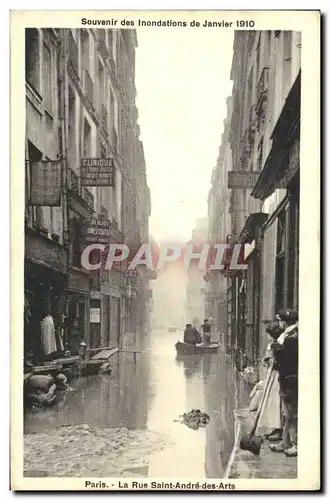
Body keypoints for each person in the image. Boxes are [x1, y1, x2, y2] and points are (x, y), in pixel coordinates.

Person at [269, 309, 298, 457]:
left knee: (292, 412)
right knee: (286, 412)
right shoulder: (288, 335)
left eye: (280, 320)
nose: (279, 323)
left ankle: (295, 444)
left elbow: (288, 358)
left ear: (285, 321)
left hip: (290, 378)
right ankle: (285, 442)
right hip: (286, 377)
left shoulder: (293, 337)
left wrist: (277, 351)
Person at [256, 319, 284, 442]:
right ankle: (275, 427)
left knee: (276, 402)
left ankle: (279, 430)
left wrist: (270, 359)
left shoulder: (277, 344)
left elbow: (274, 360)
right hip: (271, 375)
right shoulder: (274, 343)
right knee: (272, 402)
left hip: (276, 376)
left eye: (269, 334)